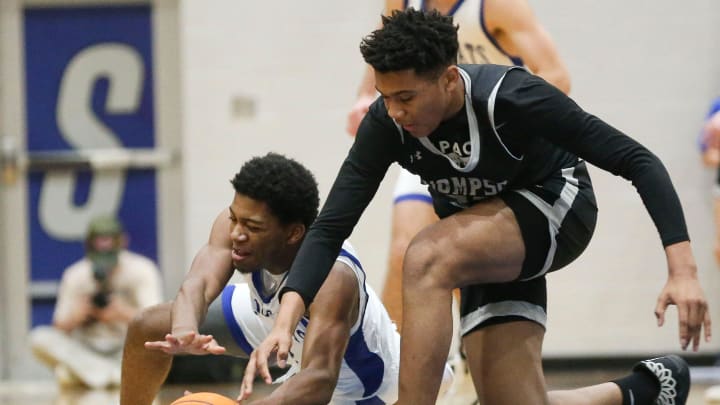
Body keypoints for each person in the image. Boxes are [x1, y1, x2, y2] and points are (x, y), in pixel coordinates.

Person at [241, 9, 711, 405]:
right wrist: (285, 320)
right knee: (509, 400)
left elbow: (637, 160)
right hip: (483, 236)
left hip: (558, 209)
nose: (396, 112)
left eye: (406, 98)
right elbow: (331, 226)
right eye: (387, 98)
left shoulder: (511, 97)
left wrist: (684, 270)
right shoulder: (387, 123)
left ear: (448, 80)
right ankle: (643, 389)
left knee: (424, 255)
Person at [119, 153, 448, 405]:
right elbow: (199, 284)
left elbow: (318, 379)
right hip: (270, 320)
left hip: (356, 382)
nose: (237, 233)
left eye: (253, 227)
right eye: (235, 219)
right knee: (148, 323)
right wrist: (183, 330)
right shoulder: (236, 226)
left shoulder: (333, 276)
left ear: (294, 233)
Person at [347, 0, 570, 331]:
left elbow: (557, 77)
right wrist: (365, 98)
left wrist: (504, 117)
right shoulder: (402, 3)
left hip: (488, 149)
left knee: (460, 260)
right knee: (403, 252)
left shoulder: (497, 6)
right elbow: (383, 52)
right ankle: (391, 368)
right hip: (427, 139)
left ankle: (470, 352)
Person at [30, 215, 162, 389]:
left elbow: (156, 323)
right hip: (86, 348)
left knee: (156, 345)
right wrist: (77, 316)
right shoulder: (75, 274)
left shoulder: (142, 270)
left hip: (125, 347)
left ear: (122, 242)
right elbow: (58, 328)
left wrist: (122, 313)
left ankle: (82, 376)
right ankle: (108, 375)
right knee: (39, 338)